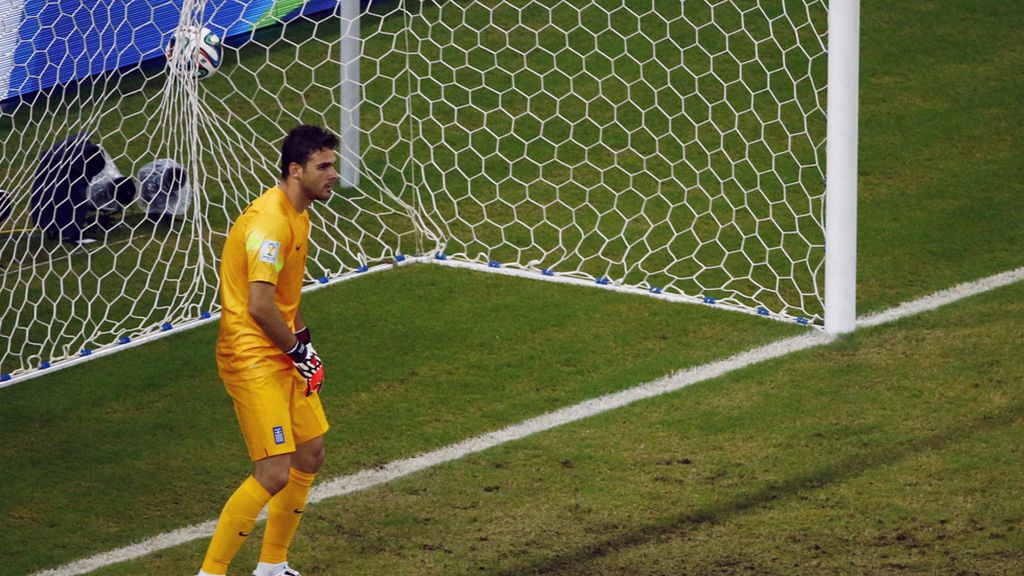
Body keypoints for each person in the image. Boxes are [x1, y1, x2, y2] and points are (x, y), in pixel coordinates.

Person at [197, 124, 339, 576]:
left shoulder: (299, 213)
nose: (333, 174)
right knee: (275, 471)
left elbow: (282, 300)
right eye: (324, 166)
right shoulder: (270, 225)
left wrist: (305, 348)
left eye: (332, 164)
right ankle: (210, 573)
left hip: (281, 349)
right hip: (251, 356)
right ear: (295, 171)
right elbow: (259, 306)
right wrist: (298, 352)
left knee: (311, 450)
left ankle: (272, 567)